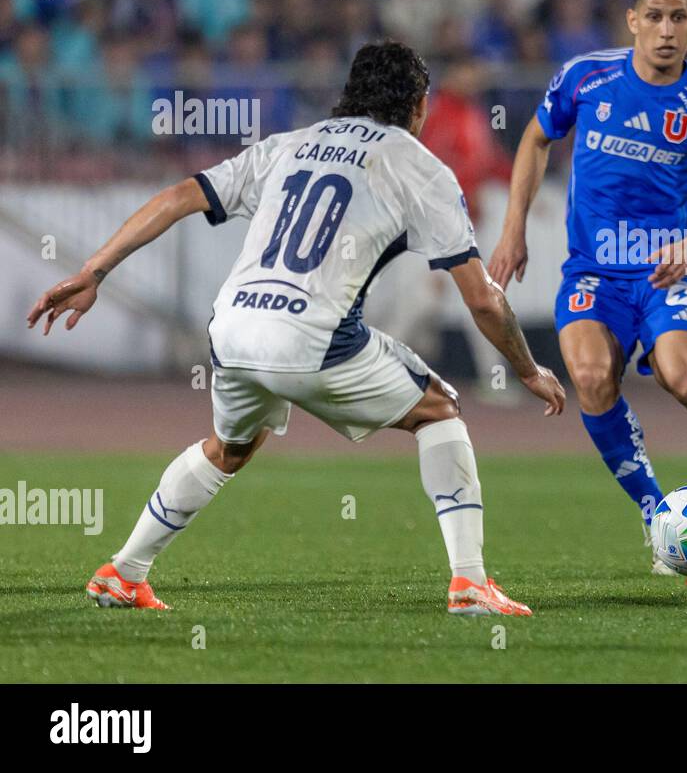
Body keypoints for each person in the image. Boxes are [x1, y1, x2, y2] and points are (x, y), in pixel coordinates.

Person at [27, 40, 565, 616]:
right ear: (418, 105)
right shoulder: (419, 165)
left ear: (350, 93)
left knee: (230, 448)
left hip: (232, 328)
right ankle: (470, 584)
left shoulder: (289, 144)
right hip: (315, 338)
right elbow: (482, 300)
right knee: (439, 409)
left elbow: (182, 194)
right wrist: (528, 369)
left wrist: (93, 270)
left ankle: (123, 572)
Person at [487, 0, 687, 573]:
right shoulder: (585, 77)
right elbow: (536, 138)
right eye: (654, 17)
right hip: (593, 270)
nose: (665, 30)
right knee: (589, 376)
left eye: (678, 18)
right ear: (632, 22)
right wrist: (513, 228)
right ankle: (655, 514)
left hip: (669, 271)